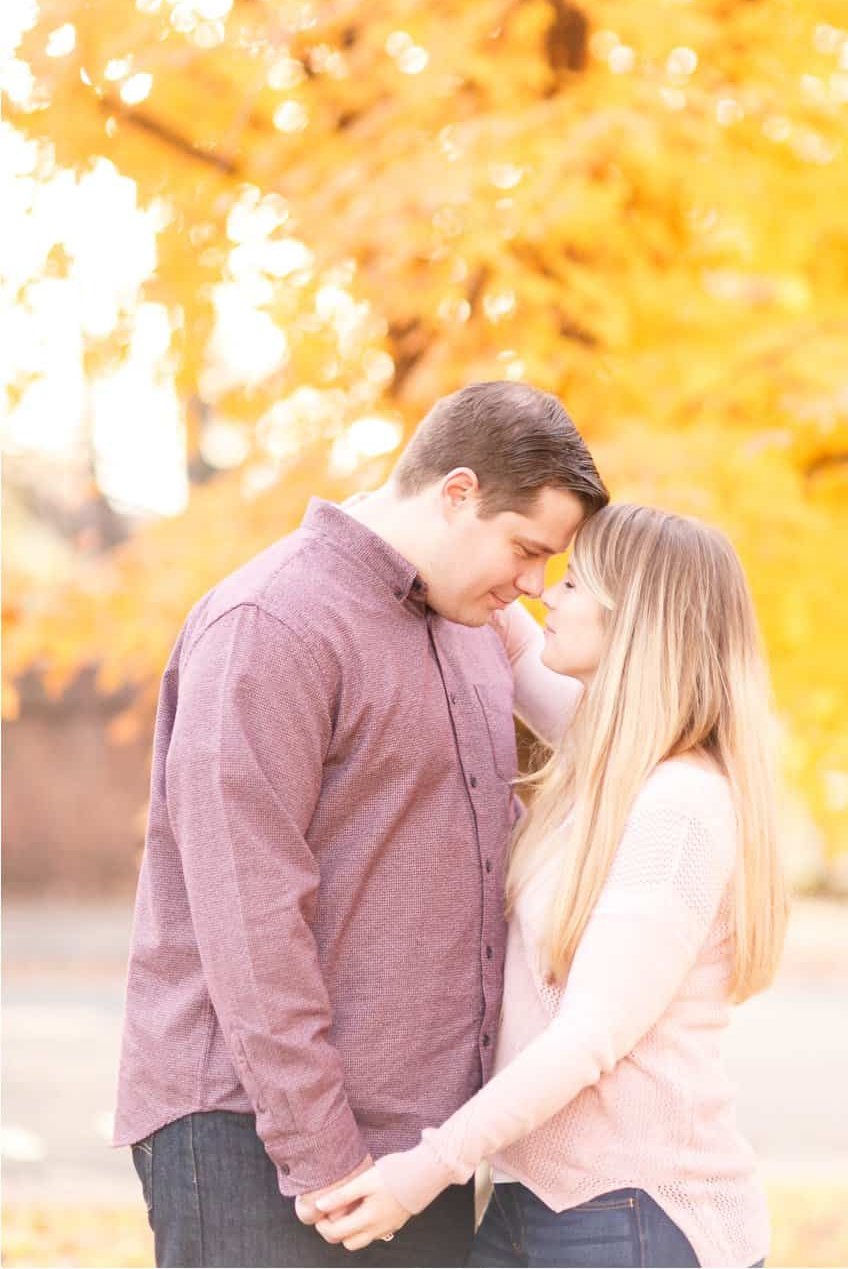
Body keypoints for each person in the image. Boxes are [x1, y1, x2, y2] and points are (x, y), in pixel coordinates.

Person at [112, 381, 608, 1268]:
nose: (534, 585)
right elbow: (248, 919)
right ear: (458, 493)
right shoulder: (272, 623)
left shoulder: (471, 628)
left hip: (417, 1149)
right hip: (254, 1139)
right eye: (527, 549)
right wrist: (327, 1161)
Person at [303, 503, 788, 1268]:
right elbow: (507, 625)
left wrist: (422, 1173)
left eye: (572, 583)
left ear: (635, 622)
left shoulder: (679, 804)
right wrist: (419, 522)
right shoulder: (613, 758)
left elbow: (586, 1037)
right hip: (537, 1203)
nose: (542, 595)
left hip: (635, 1215)